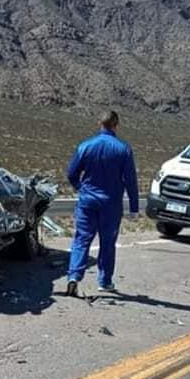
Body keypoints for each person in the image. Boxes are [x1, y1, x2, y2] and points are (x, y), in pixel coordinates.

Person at [65, 110, 139, 296]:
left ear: (100, 123)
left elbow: (71, 173)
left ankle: (74, 276)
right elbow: (130, 180)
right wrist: (134, 207)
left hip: (88, 200)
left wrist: (81, 188)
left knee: (82, 239)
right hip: (111, 203)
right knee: (107, 242)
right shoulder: (123, 149)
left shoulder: (86, 146)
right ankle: (104, 281)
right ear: (116, 125)